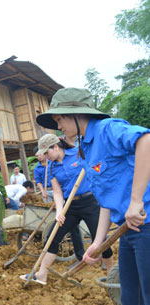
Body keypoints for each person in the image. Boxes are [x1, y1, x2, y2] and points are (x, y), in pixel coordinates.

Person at [36, 87, 150, 304]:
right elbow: (105, 198)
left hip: (146, 225)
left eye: (60, 119)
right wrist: (98, 243)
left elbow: (146, 140)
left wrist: (136, 201)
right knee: (130, 298)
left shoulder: (107, 129)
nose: (58, 126)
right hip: (127, 232)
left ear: (77, 114)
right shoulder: (85, 147)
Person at [20, 134, 113, 286]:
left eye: (46, 153)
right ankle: (42, 274)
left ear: (56, 147)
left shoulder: (78, 153)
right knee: (53, 235)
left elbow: (96, 168)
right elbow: (57, 192)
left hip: (90, 202)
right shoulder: (51, 167)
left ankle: (112, 274)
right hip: (71, 205)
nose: (45, 157)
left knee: (101, 240)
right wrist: (59, 212)